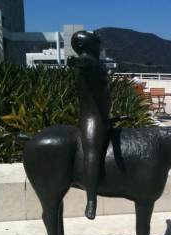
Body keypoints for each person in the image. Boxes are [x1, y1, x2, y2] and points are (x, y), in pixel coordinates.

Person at [67, 31, 112, 220]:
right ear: (81, 43)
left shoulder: (95, 59)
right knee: (91, 153)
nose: (95, 37)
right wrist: (74, 61)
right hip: (93, 119)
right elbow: (83, 63)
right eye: (89, 35)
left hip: (103, 116)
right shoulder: (88, 60)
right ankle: (91, 200)